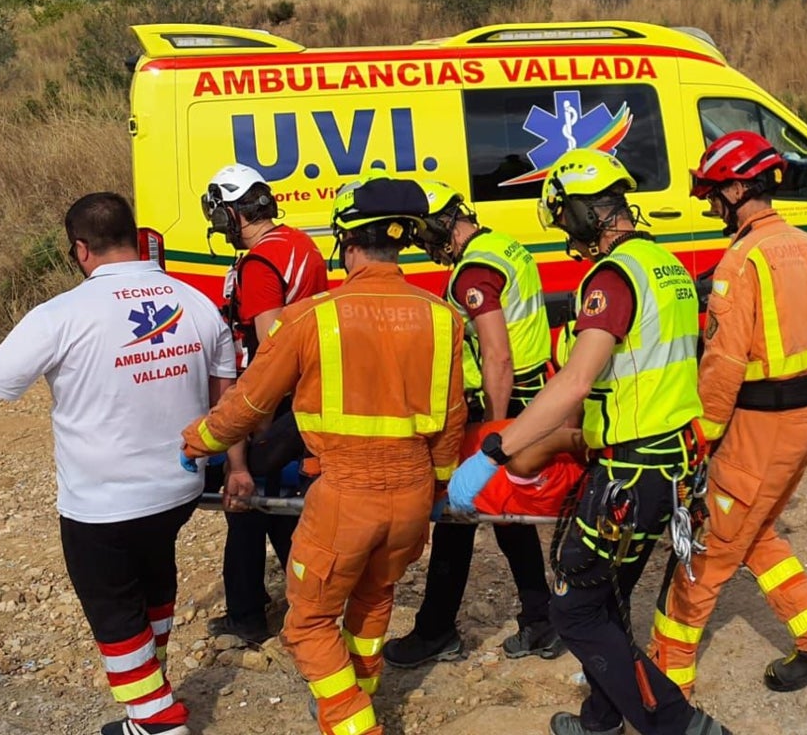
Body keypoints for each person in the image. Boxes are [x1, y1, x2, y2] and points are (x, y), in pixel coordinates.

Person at [0, 193, 236, 735]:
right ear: (136, 236)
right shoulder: (194, 302)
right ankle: (146, 706)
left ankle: (158, 721)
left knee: (114, 614)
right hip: (178, 490)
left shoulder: (60, 315)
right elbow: (226, 402)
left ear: (80, 249)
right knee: (154, 588)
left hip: (102, 503)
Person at [445, 149, 731, 735]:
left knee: (574, 611)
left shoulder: (613, 276)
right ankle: (602, 719)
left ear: (581, 211)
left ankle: (680, 727)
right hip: (670, 462)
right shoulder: (665, 264)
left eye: (564, 219)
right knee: (608, 600)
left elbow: (575, 381)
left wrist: (493, 452)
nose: (568, 236)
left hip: (632, 470)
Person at [180, 174, 467, 735]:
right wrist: (436, 485)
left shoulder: (312, 317)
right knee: (374, 598)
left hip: (346, 495)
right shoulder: (442, 316)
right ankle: (363, 689)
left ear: (347, 242)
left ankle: (354, 721)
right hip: (412, 495)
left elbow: (250, 403)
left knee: (308, 623)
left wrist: (198, 441)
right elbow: (452, 418)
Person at [649, 130, 807, 696]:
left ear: (741, 186)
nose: (710, 204)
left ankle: (664, 690)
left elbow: (722, 367)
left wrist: (699, 438)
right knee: (755, 528)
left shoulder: (740, 262)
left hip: (761, 429)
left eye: (715, 193)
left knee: (706, 549)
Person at [384, 180, 561, 667]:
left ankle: (437, 629)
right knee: (501, 514)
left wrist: (494, 435)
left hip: (506, 401)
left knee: (458, 510)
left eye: (426, 238)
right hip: (531, 393)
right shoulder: (503, 244)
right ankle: (540, 617)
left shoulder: (474, 271)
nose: (427, 249)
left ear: (443, 224)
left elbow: (497, 357)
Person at [200, 163, 328, 644]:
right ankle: (301, 597)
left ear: (233, 213)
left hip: (279, 399)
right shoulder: (299, 244)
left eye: (219, 217)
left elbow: (270, 350)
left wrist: (253, 418)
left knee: (244, 498)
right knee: (278, 503)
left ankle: (247, 615)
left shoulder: (259, 265)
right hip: (308, 391)